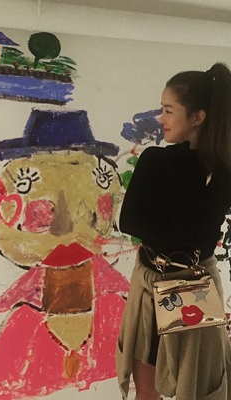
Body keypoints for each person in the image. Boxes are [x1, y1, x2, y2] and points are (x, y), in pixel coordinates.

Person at [116, 62, 231, 400]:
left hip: (196, 285)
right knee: (147, 390)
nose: (161, 118)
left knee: (198, 387)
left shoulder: (222, 172)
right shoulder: (156, 160)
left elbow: (198, 233)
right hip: (152, 283)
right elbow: (130, 221)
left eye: (169, 110)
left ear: (197, 117)